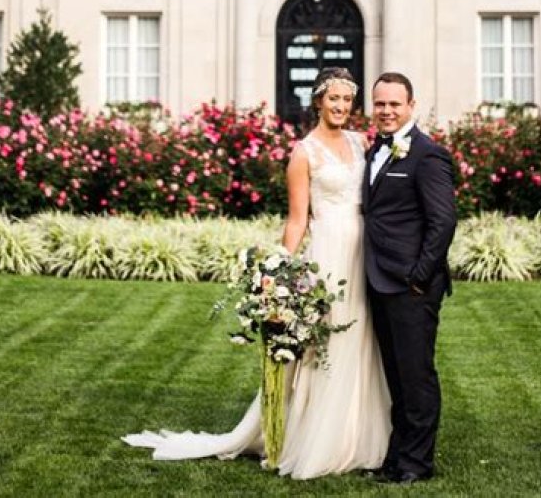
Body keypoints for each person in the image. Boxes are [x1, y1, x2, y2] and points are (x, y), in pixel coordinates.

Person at [123, 66, 390, 479]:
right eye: (333, 98)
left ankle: (357, 435)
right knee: (327, 344)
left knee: (362, 339)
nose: (340, 106)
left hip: (363, 251)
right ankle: (317, 437)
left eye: (346, 100)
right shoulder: (304, 152)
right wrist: (279, 270)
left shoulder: (361, 142)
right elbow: (297, 220)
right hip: (329, 254)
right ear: (318, 101)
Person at [363, 71, 457, 484]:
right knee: (397, 377)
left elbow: (443, 221)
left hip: (411, 285)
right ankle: (397, 457)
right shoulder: (375, 150)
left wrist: (420, 276)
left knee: (416, 376)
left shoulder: (428, 155)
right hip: (379, 280)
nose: (386, 111)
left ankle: (417, 464)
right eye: (380, 104)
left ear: (411, 106)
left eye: (394, 104)